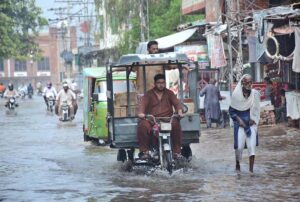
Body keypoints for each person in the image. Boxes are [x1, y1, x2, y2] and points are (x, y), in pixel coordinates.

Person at [137, 74, 184, 160]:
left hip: (168, 120)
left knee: (176, 125)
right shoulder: (148, 94)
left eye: (163, 83)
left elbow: (177, 103)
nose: (161, 85)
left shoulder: (169, 93)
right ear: (155, 83)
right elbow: (142, 105)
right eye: (159, 83)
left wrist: (180, 111)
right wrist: (141, 113)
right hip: (152, 120)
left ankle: (177, 152)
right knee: (142, 126)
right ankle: (144, 152)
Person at [229, 74, 260, 173]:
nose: (249, 84)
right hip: (240, 125)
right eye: (247, 82)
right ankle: (237, 164)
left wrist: (254, 119)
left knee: (252, 147)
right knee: (239, 147)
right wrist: (239, 120)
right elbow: (231, 111)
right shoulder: (236, 95)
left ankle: (251, 171)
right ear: (242, 83)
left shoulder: (255, 94)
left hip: (251, 124)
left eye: (251, 82)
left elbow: (257, 109)